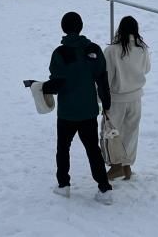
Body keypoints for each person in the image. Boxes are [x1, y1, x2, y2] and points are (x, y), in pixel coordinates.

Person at [39, 12, 114, 205]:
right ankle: (104, 190)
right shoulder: (93, 50)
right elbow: (102, 80)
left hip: (67, 113)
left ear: (63, 28)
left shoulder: (60, 53)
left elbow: (57, 84)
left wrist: (41, 87)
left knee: (63, 148)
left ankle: (63, 186)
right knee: (93, 150)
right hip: (88, 110)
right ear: (81, 27)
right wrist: (106, 103)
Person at [103, 16, 150, 181]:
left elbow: (105, 77)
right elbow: (147, 69)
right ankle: (126, 167)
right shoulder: (142, 48)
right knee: (130, 134)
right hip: (136, 98)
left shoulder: (112, 51)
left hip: (116, 99)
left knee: (112, 133)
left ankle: (116, 167)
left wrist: (101, 99)